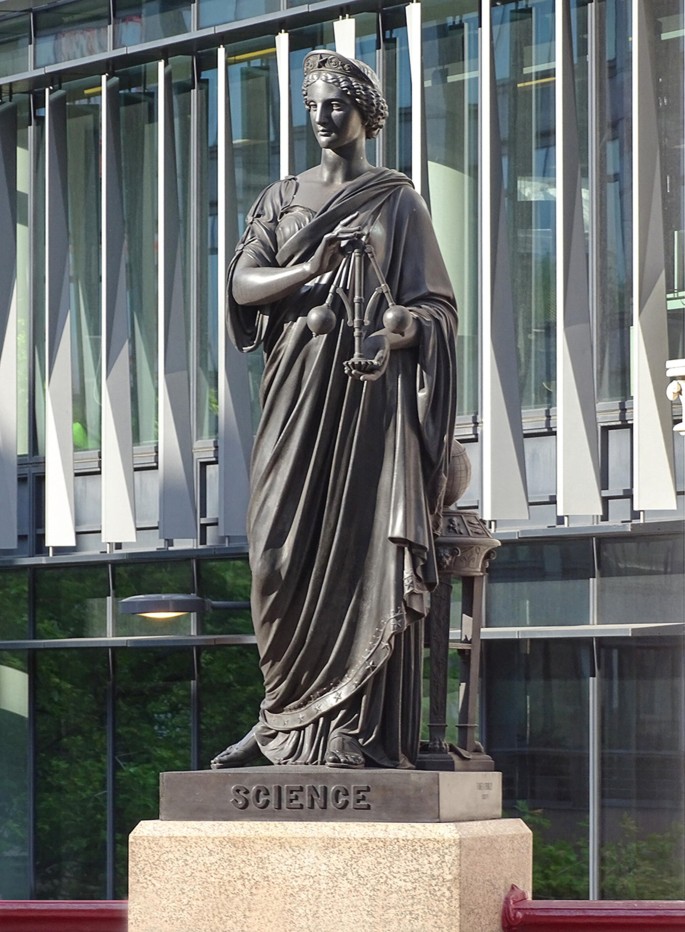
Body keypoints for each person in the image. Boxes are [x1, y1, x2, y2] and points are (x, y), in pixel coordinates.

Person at [211, 50, 457, 770]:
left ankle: (345, 728)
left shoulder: (397, 201)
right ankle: (282, 715)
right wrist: (311, 268)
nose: (321, 117)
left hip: (364, 404)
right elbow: (242, 284)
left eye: (334, 104)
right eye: (312, 104)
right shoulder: (279, 199)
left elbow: (433, 308)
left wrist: (400, 329)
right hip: (294, 393)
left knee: (355, 552)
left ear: (365, 114)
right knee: (277, 556)